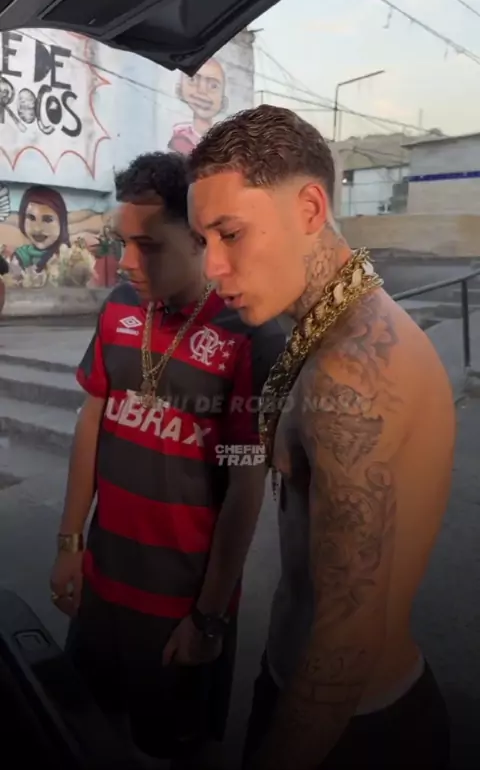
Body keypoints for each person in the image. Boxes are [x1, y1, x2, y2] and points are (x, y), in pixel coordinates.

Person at [187, 104, 455, 770]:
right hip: (309, 692)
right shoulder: (324, 332)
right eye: (202, 241)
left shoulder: (351, 373)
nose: (212, 266)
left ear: (309, 208)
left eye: (230, 233)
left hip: (349, 728)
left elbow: (347, 634)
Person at [49, 150, 285, 768]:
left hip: (180, 604)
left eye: (148, 245)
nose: (127, 262)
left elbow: (246, 486)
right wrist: (71, 541)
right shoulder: (118, 307)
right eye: (123, 242)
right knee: (86, 728)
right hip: (101, 583)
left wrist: (208, 618)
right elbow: (92, 420)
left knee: (171, 750)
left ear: (199, 237)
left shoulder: (252, 334)